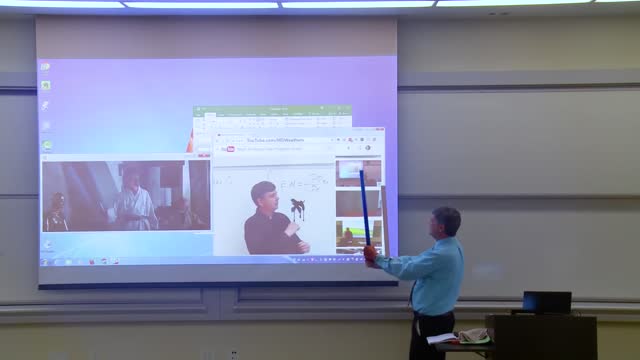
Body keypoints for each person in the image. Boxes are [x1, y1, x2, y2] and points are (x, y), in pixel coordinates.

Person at [364, 207, 464, 360]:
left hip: (431, 323)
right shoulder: (450, 246)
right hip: (438, 320)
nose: (428, 222)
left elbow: (408, 270)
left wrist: (378, 258)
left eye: (431, 220)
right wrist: (381, 261)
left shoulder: (442, 253)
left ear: (440, 227)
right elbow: (414, 261)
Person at [244, 181, 311, 254]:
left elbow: (295, 246)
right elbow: (258, 253)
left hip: (289, 264)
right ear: (260, 201)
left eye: (276, 194)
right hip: (267, 265)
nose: (277, 198)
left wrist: (302, 247)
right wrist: (287, 233)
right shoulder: (251, 223)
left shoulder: (282, 218)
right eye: (272, 196)